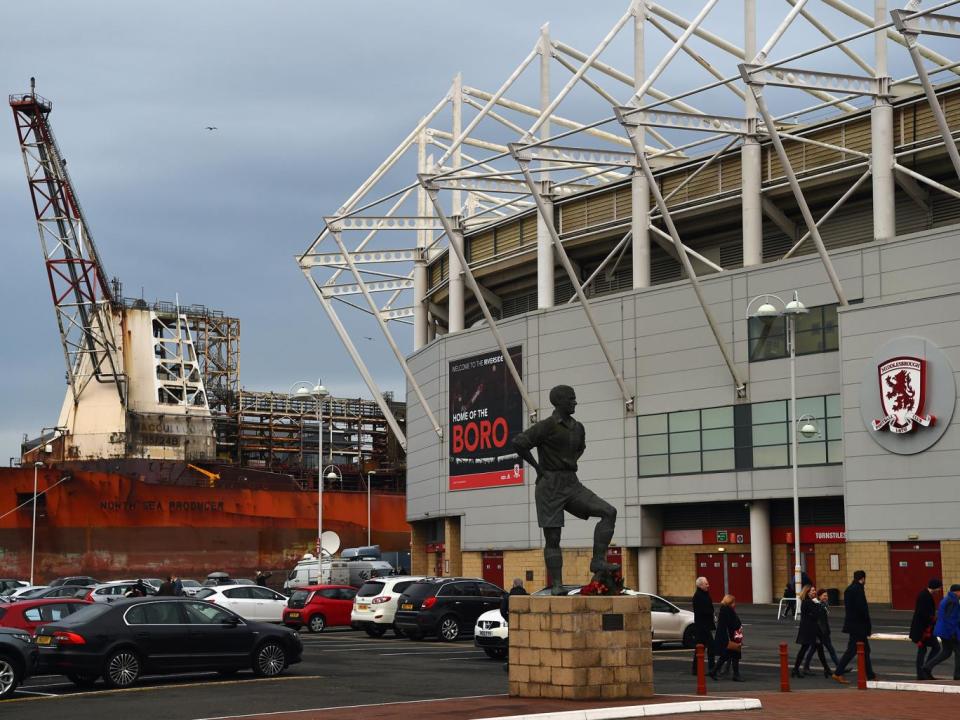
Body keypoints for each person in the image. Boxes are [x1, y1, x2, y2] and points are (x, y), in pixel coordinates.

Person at [512, 385, 619, 595]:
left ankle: (598, 561)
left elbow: (581, 448)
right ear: (559, 402)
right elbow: (519, 442)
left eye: (575, 398)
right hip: (549, 486)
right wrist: (538, 467)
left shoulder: (578, 427)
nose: (575, 402)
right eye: (571, 399)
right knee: (553, 538)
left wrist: (568, 463)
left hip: (571, 482)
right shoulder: (547, 426)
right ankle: (557, 585)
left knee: (609, 512)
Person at [832, 570, 875, 684]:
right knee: (852, 650)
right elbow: (862, 609)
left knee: (865, 650)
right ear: (863, 578)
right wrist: (867, 624)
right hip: (859, 626)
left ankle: (870, 675)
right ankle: (838, 673)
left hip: (853, 625)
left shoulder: (849, 589)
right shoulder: (858, 589)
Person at [921, 582, 960, 681]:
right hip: (950, 632)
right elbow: (951, 619)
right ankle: (958, 675)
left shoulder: (947, 599)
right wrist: (953, 633)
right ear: (957, 592)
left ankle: (926, 668)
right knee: (958, 652)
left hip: (943, 630)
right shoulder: (953, 601)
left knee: (946, 652)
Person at [909, 578, 943, 680]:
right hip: (923, 630)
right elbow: (924, 615)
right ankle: (925, 670)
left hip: (923, 629)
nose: (939, 590)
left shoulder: (925, 594)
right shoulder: (925, 596)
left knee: (923, 651)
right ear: (934, 587)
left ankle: (923, 672)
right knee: (935, 647)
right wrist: (933, 620)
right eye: (939, 588)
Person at [803, 588, 838, 677]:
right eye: (824, 596)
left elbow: (824, 621)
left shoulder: (824, 605)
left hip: (823, 631)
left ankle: (807, 667)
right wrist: (822, 632)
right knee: (830, 649)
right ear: (819, 596)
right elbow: (819, 620)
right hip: (820, 632)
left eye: (827, 595)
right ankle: (839, 667)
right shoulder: (818, 605)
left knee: (814, 650)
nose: (826, 597)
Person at [710, 594, 743, 682]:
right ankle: (735, 675)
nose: (735, 604)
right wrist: (739, 626)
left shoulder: (724, 610)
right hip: (729, 637)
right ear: (730, 603)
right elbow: (732, 624)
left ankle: (714, 671)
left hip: (725, 637)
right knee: (734, 654)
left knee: (726, 656)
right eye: (733, 602)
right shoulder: (728, 611)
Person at [793, 584, 821, 678]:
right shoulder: (808, 602)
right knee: (805, 649)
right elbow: (816, 614)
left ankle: (799, 668)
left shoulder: (808, 602)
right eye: (812, 590)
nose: (814, 592)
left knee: (807, 648)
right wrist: (817, 603)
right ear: (807, 592)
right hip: (808, 629)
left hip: (808, 628)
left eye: (814, 590)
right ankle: (797, 669)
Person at [691, 577, 716, 676]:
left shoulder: (703, 595)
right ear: (700, 585)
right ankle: (711, 668)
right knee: (711, 646)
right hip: (703, 626)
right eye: (706, 584)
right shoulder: (698, 596)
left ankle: (695, 669)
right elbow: (704, 610)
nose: (708, 585)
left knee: (699, 647)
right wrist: (711, 613)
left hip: (702, 626)